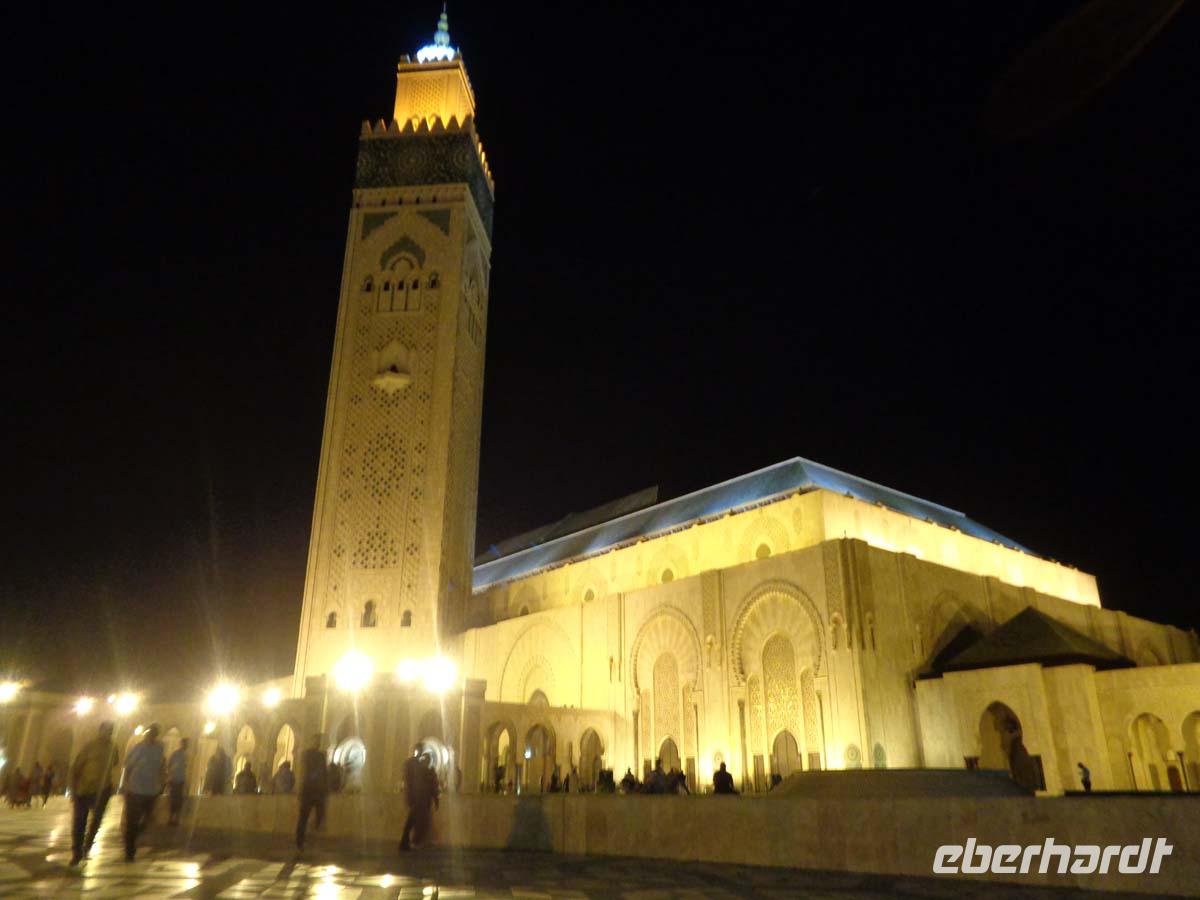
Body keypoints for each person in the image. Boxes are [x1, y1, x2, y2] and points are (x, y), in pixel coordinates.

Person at [68, 722, 119, 864]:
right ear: (100, 731)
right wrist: (73, 789)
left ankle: (87, 846)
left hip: (102, 790)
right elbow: (76, 768)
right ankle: (76, 851)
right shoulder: (89, 747)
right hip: (84, 790)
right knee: (79, 822)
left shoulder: (113, 748)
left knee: (96, 821)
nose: (108, 733)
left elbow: (114, 763)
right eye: (106, 730)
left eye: (110, 731)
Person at [122, 723, 165, 862]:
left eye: (154, 734)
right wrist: (126, 784)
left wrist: (161, 783)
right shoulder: (139, 748)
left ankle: (131, 837)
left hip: (151, 790)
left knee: (147, 819)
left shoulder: (159, 748)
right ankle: (129, 851)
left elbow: (161, 766)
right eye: (150, 733)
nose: (152, 736)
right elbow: (128, 766)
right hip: (135, 789)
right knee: (132, 821)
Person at [399, 752, 439, 851]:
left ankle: (409, 842)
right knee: (415, 822)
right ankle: (412, 842)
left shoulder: (421, 770)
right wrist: (436, 798)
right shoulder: (426, 771)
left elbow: (432, 786)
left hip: (420, 801)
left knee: (414, 822)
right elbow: (433, 786)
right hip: (421, 801)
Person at [296, 735, 328, 851]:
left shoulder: (316, 755)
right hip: (311, 791)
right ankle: (301, 841)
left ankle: (306, 839)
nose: (318, 743)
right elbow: (309, 772)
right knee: (305, 817)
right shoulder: (312, 755)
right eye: (316, 741)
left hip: (313, 791)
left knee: (312, 815)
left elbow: (322, 773)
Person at [166, 738, 189, 825]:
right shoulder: (177, 754)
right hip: (175, 779)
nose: (186, 746)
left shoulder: (184, 755)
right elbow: (170, 765)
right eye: (185, 744)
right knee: (174, 799)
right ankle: (172, 817)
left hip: (180, 780)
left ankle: (176, 818)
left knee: (178, 800)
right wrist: (170, 776)